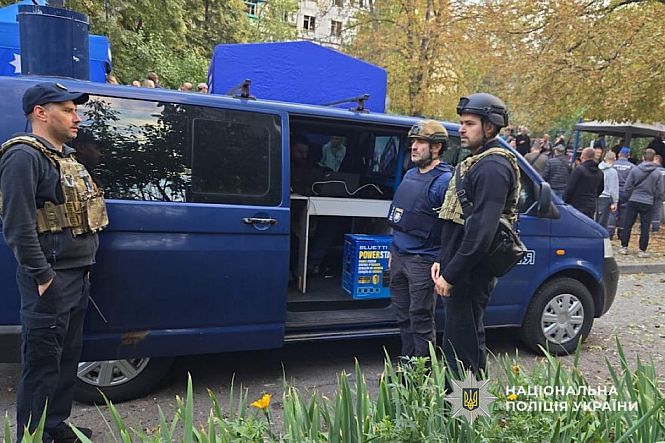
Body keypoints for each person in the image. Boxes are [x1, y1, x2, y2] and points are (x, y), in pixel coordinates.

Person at [0, 83, 109, 441]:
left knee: (66, 359)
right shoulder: (23, 156)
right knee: (43, 364)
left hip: (76, 275)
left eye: (75, 110)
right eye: (67, 110)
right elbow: (17, 225)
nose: (76, 117)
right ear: (41, 113)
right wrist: (42, 275)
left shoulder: (64, 157)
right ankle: (33, 436)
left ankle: (54, 426)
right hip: (51, 278)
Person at [431, 93, 519, 382]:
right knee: (460, 346)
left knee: (463, 356)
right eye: (461, 123)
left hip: (470, 274)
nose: (461, 129)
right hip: (461, 271)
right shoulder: (478, 161)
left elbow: (480, 232)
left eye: (469, 123)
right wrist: (442, 261)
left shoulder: (493, 167)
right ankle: (465, 405)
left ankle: (467, 407)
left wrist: (452, 273)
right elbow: (457, 223)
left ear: (490, 127)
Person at [387, 120, 452, 360]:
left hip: (423, 261)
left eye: (421, 142)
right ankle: (408, 367)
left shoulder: (445, 181)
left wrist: (440, 259)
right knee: (403, 317)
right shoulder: (410, 174)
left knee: (421, 319)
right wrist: (393, 250)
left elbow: (452, 227)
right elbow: (402, 216)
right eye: (413, 142)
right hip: (400, 256)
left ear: (436, 147)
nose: (413, 147)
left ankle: (422, 373)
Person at [619, 148, 663, 257]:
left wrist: (632, 194)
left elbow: (627, 186)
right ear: (653, 158)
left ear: (643, 157)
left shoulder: (635, 170)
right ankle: (642, 250)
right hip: (648, 201)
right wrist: (653, 196)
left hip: (634, 199)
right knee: (645, 227)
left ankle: (624, 247)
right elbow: (660, 191)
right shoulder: (657, 173)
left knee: (628, 224)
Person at [563, 147, 604, 219]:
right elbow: (601, 188)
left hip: (576, 205)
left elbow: (570, 188)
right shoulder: (600, 172)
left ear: (582, 156)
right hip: (591, 205)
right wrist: (593, 197)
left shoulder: (579, 170)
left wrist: (565, 201)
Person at [613, 147, 635, 239]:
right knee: (624, 213)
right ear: (628, 156)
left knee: (612, 212)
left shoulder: (612, 165)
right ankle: (621, 233)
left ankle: (610, 232)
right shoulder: (632, 167)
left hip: (613, 191)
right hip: (625, 192)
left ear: (619, 154)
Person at [596, 151, 619, 232]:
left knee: (595, 218)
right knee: (603, 221)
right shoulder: (613, 172)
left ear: (605, 158)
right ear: (614, 159)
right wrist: (615, 201)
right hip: (606, 198)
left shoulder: (597, 168)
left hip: (596, 196)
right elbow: (614, 187)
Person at [652, 154, 665, 232]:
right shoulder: (664, 170)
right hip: (661, 193)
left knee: (648, 210)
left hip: (651, 192)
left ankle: (644, 225)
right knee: (656, 210)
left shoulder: (652, 170)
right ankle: (655, 228)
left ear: (656, 160)